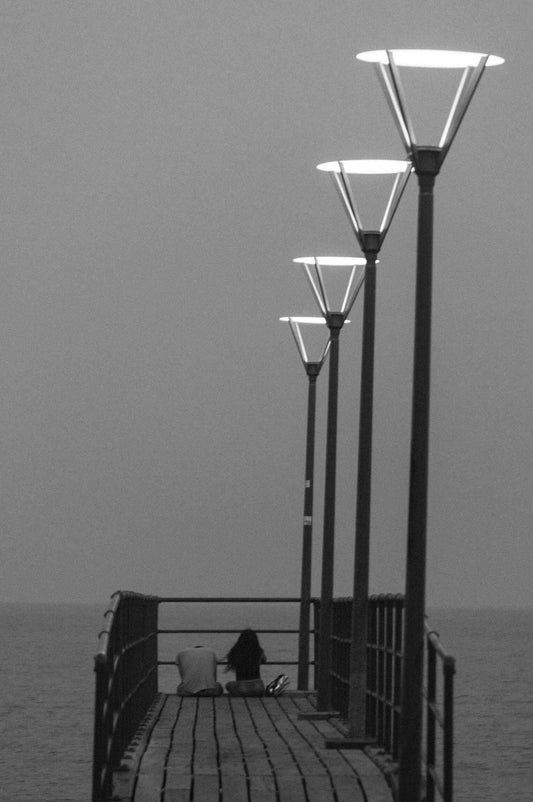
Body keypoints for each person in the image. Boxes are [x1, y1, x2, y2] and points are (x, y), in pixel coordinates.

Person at [224, 628, 266, 696]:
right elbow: (264, 660)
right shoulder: (259, 651)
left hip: (242, 686)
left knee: (228, 685)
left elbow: (230, 660)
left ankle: (240, 694)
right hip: (258, 687)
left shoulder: (236, 651)